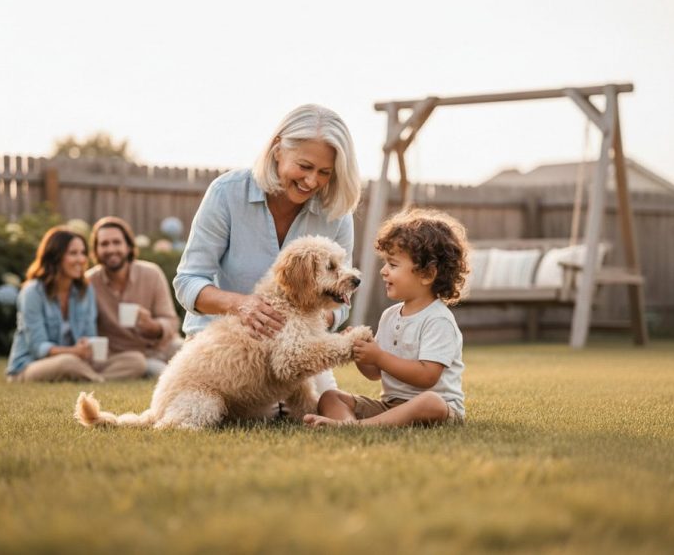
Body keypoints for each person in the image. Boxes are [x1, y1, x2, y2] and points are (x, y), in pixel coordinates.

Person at [173, 104, 362, 396]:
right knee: (258, 408)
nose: (312, 181)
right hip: (223, 352)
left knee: (328, 404)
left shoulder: (336, 212)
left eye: (325, 172)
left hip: (300, 345)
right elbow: (188, 281)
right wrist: (241, 305)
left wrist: (299, 326)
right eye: (304, 166)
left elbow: (341, 300)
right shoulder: (226, 193)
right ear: (277, 150)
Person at [303, 208, 469, 427]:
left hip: (436, 409)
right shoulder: (390, 316)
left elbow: (427, 376)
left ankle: (355, 427)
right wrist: (361, 353)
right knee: (330, 396)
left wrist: (379, 356)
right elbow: (375, 374)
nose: (383, 271)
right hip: (391, 406)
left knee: (431, 401)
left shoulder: (438, 320)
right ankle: (347, 424)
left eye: (393, 264)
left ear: (427, 274)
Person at [5, 226, 145, 382]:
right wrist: (73, 351)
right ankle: (98, 381)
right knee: (67, 362)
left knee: (136, 360)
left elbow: (90, 335)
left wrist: (87, 345)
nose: (81, 259)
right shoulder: (32, 292)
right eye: (73, 253)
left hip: (77, 361)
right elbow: (38, 348)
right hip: (30, 366)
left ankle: (91, 378)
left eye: (83, 253)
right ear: (55, 257)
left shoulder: (84, 290)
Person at [86, 216, 183, 378]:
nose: (111, 249)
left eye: (116, 242)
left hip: (162, 346)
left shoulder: (152, 273)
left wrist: (154, 326)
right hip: (126, 356)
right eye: (104, 244)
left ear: (129, 246)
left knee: (191, 352)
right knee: (164, 373)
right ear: (96, 250)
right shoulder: (89, 282)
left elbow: (171, 321)